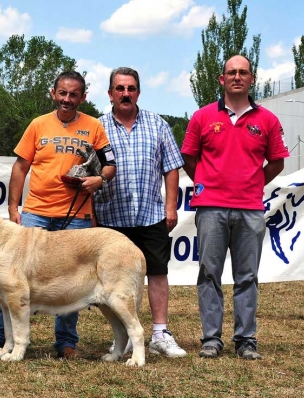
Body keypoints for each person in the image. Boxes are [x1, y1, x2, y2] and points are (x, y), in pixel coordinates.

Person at [0, 71, 116, 359]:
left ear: (83, 97)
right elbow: (20, 167)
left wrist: (100, 180)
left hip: (75, 215)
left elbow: (110, 165)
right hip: (36, 213)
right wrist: (14, 207)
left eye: (73, 94)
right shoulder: (38, 125)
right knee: (9, 279)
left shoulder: (94, 127)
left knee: (70, 281)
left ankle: (66, 342)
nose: (67, 99)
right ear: (53, 93)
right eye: (62, 93)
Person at [181, 55, 289, 360]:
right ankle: (211, 339)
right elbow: (189, 157)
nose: (237, 77)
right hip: (211, 207)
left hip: (250, 209)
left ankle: (246, 340)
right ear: (222, 79)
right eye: (232, 72)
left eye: (243, 72)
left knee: (247, 276)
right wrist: (205, 180)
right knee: (209, 274)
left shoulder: (267, 119)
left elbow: (277, 161)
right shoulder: (202, 117)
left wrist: (252, 184)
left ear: (251, 79)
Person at [94, 67, 187, 358]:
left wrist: (170, 206)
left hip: (151, 215)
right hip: (110, 217)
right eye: (119, 88)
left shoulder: (158, 124)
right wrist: (92, 217)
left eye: (131, 88)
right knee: (111, 281)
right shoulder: (97, 127)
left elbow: (172, 167)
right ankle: (121, 338)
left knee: (158, 272)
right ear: (110, 93)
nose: (125, 93)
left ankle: (160, 333)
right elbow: (89, 173)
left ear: (138, 92)